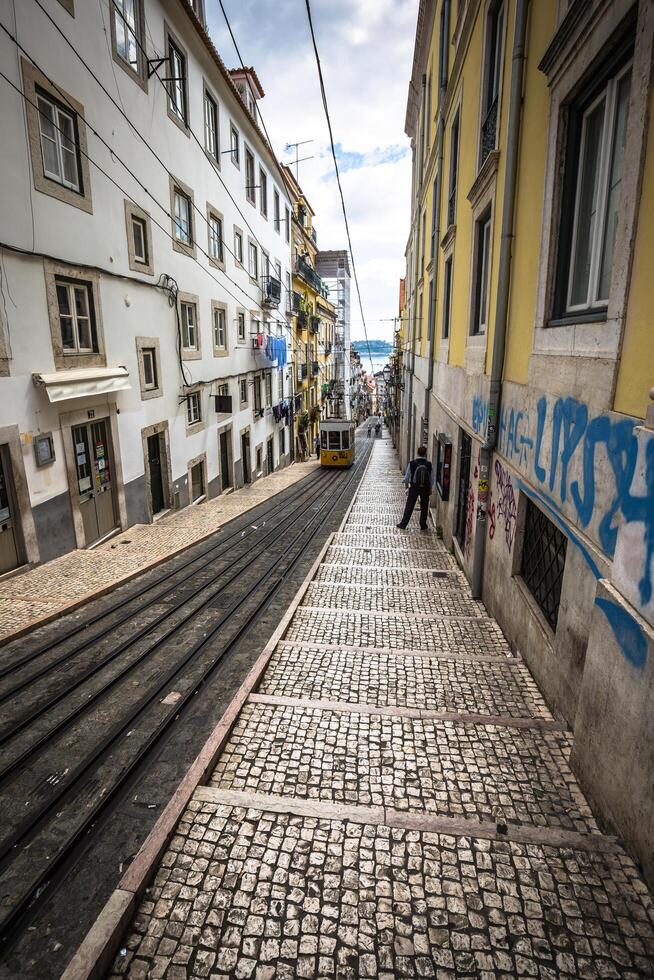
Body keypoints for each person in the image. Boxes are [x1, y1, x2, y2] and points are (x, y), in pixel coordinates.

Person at [397, 446, 434, 530]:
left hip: (414, 487)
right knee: (424, 507)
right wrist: (430, 488)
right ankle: (423, 525)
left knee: (409, 506)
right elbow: (432, 478)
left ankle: (403, 524)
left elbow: (407, 477)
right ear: (425, 454)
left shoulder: (412, 463)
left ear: (417, 453)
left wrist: (407, 487)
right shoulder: (429, 464)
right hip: (425, 488)